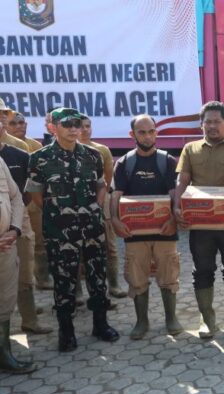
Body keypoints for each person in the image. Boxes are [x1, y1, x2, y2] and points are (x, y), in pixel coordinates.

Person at [25, 107, 119, 352]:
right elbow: (36, 194)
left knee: (97, 276)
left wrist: (95, 206)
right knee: (64, 280)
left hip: (92, 227)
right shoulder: (40, 158)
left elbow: (102, 183)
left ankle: (101, 324)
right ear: (52, 128)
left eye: (77, 124)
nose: (74, 128)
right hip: (60, 230)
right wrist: (57, 213)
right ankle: (66, 331)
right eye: (67, 124)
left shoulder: (92, 155)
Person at [174, 101, 224, 338]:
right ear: (201, 124)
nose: (212, 126)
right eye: (207, 121)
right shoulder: (190, 149)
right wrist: (177, 205)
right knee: (202, 270)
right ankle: (207, 319)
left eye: (217, 121)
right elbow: (182, 181)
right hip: (200, 223)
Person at [110, 114, 183, 339]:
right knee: (136, 276)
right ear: (132, 135)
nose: (148, 136)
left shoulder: (167, 161)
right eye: (142, 132)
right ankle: (141, 322)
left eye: (151, 131)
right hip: (134, 234)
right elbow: (117, 195)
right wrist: (114, 218)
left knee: (168, 275)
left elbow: (174, 195)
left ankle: (171, 318)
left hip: (165, 231)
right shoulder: (125, 163)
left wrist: (174, 219)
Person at [0, 127, 51, 335]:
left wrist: (14, 227)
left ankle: (29, 320)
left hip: (17, 226)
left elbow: (22, 194)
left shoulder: (18, 153)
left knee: (23, 274)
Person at [78, 115, 126, 299]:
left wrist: (99, 202)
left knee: (110, 247)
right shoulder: (69, 151)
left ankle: (113, 285)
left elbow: (107, 179)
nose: (84, 130)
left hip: (101, 203)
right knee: (79, 250)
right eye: (81, 126)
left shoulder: (102, 150)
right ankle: (78, 292)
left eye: (88, 126)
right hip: (77, 205)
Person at [0, 147, 35, 373]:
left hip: (6, 245)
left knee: (5, 300)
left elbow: (16, 197)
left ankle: (4, 354)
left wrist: (14, 229)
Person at [7, 112, 49, 291]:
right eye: (13, 123)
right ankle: (21, 287)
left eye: (21, 122)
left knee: (38, 241)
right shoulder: (6, 147)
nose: (19, 126)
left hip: (31, 199)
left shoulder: (35, 145)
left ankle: (42, 279)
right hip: (9, 203)